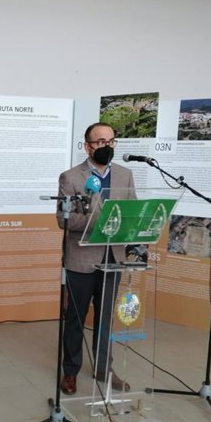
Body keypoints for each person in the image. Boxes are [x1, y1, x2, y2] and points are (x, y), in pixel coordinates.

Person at [56, 122, 136, 395]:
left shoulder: (125, 175)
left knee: (105, 320)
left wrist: (132, 230)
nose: (106, 147)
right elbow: (64, 220)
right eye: (100, 142)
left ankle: (104, 368)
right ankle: (70, 371)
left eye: (110, 141)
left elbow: (131, 212)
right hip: (81, 259)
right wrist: (101, 221)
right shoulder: (71, 177)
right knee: (75, 320)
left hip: (113, 258)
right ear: (87, 146)